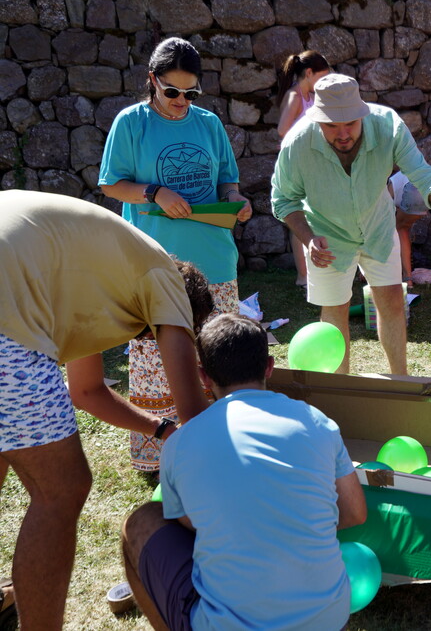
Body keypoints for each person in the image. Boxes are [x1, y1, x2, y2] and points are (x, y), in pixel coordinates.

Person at [0, 190, 212, 630]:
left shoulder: (101, 273)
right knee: (63, 486)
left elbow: (87, 391)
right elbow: (195, 416)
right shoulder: (164, 278)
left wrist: (160, 430)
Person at [121, 314, 367, 630]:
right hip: (329, 619)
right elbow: (355, 513)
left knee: (140, 522)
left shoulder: (179, 443)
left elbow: (190, 525)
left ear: (203, 377)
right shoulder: (318, 422)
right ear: (269, 366)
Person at [271, 74, 431, 375]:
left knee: (391, 300)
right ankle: (341, 393)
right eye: (331, 125)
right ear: (317, 120)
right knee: (335, 312)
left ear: (362, 113)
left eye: (349, 123)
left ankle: (400, 381)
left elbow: (426, 177)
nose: (342, 134)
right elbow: (284, 201)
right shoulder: (297, 144)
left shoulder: (388, 125)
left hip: (377, 226)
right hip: (326, 235)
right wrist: (308, 237)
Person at [100, 36, 252, 472]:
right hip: (155, 265)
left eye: (191, 93)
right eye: (172, 92)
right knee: (154, 360)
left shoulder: (208, 124)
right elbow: (111, 184)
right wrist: (154, 191)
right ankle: (159, 457)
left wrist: (237, 201)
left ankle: (222, 448)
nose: (181, 101)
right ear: (152, 80)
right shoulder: (131, 123)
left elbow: (228, 181)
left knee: (221, 354)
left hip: (216, 261)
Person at [276, 50, 332, 287]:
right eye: (322, 76)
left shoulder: (309, 95)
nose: (325, 81)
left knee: (314, 217)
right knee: (298, 217)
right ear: (309, 73)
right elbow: (282, 130)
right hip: (297, 165)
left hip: (311, 165)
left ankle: (316, 270)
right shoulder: (295, 96)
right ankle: (303, 276)